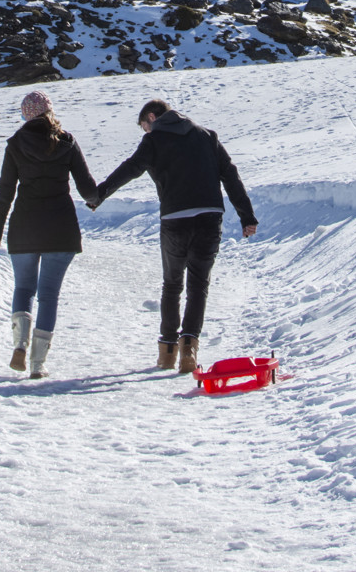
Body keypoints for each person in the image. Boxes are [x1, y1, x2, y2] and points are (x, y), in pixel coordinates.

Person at [90, 98, 257, 376]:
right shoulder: (207, 136)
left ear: (152, 117)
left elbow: (132, 168)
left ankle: (167, 352)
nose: (146, 131)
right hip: (209, 216)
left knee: (172, 284)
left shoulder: (154, 139)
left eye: (144, 126)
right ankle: (189, 349)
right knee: (198, 284)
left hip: (175, 219)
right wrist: (247, 217)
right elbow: (230, 176)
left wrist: (101, 194)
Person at [0, 90, 100, 378]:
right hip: (60, 229)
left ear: (26, 115)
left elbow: (4, 195)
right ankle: (38, 364)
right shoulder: (67, 142)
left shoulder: (15, 145)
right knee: (49, 295)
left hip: (24, 226)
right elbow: (87, 189)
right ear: (50, 112)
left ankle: (20, 346)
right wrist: (98, 197)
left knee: (24, 289)